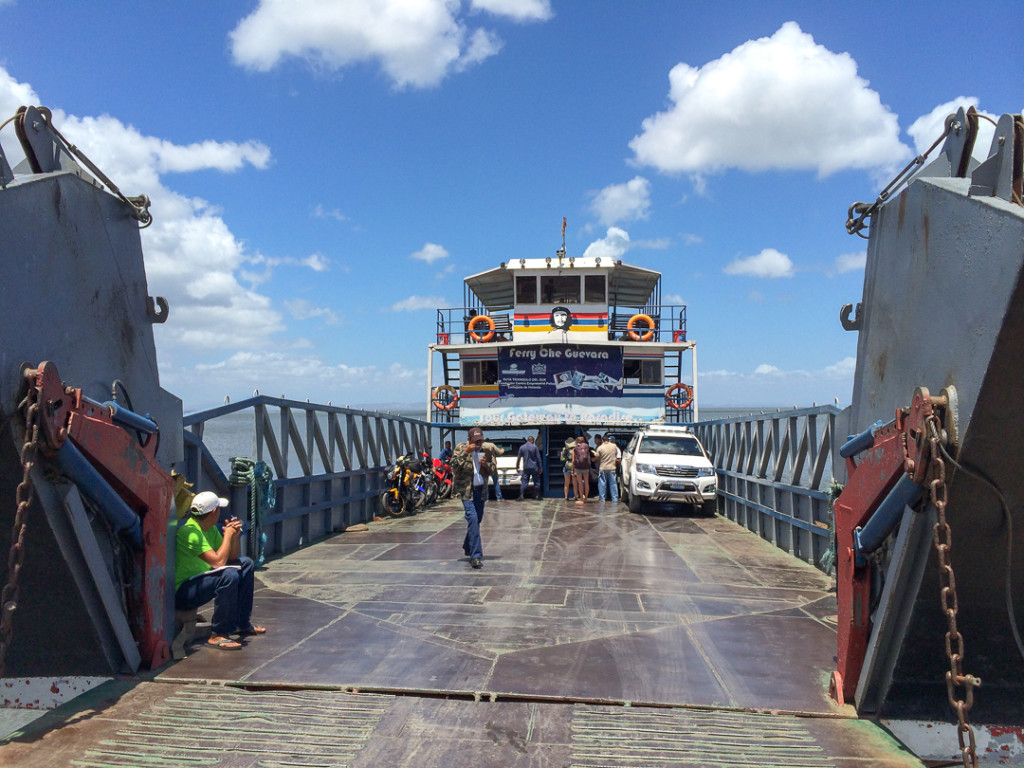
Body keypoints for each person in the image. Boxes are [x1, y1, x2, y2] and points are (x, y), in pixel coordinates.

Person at [174, 491, 265, 651]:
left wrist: (234, 537)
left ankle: (241, 624)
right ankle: (218, 633)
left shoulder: (209, 529)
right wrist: (227, 536)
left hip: (202, 580)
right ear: (214, 512)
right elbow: (218, 563)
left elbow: (231, 558)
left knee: (246, 564)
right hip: (185, 592)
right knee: (228, 575)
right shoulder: (190, 532)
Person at [450, 426, 496, 569]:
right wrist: (465, 453)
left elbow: (493, 470)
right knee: (473, 518)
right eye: (475, 441)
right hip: (466, 491)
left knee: (478, 520)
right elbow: (454, 466)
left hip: (480, 491)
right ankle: (475, 556)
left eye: (480, 441)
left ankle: (467, 545)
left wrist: (486, 464)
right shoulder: (461, 448)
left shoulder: (486, 451)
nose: (478, 444)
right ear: (469, 439)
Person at [595, 434, 619, 502]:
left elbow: (597, 458)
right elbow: (616, 454)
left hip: (603, 468)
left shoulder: (600, 448)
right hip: (612, 468)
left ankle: (602, 498)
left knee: (602, 484)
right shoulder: (614, 446)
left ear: (602, 440)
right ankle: (615, 498)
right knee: (613, 484)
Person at [571, 435, 592, 505]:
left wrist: (572, 470)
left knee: (580, 483)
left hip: (578, 467)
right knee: (586, 483)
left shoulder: (575, 448)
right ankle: (586, 498)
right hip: (586, 467)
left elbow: (573, 460)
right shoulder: (587, 447)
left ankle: (581, 499)